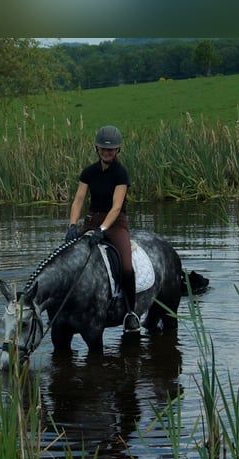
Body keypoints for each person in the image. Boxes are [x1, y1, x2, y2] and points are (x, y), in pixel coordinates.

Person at [65, 125, 141, 333]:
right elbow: (78, 199)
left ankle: (130, 313)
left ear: (118, 150)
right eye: (103, 149)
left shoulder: (121, 174)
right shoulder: (89, 172)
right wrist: (72, 225)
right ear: (96, 148)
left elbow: (117, 206)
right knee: (69, 257)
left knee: (126, 266)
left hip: (115, 224)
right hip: (90, 222)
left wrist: (103, 229)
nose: (107, 152)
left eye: (111, 149)